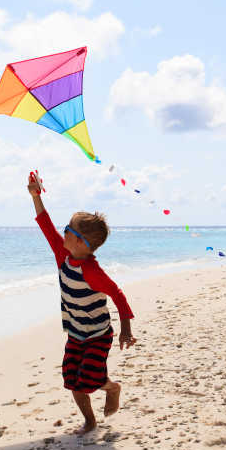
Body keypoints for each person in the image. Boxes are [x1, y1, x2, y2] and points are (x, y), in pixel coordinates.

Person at [28, 173, 136, 435]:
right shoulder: (63, 255)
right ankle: (90, 421)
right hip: (76, 332)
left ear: (79, 242)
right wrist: (36, 196)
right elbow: (45, 225)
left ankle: (112, 388)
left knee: (89, 380)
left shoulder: (92, 271)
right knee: (72, 381)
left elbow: (117, 294)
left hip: (98, 334)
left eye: (68, 229)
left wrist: (126, 329)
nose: (62, 232)